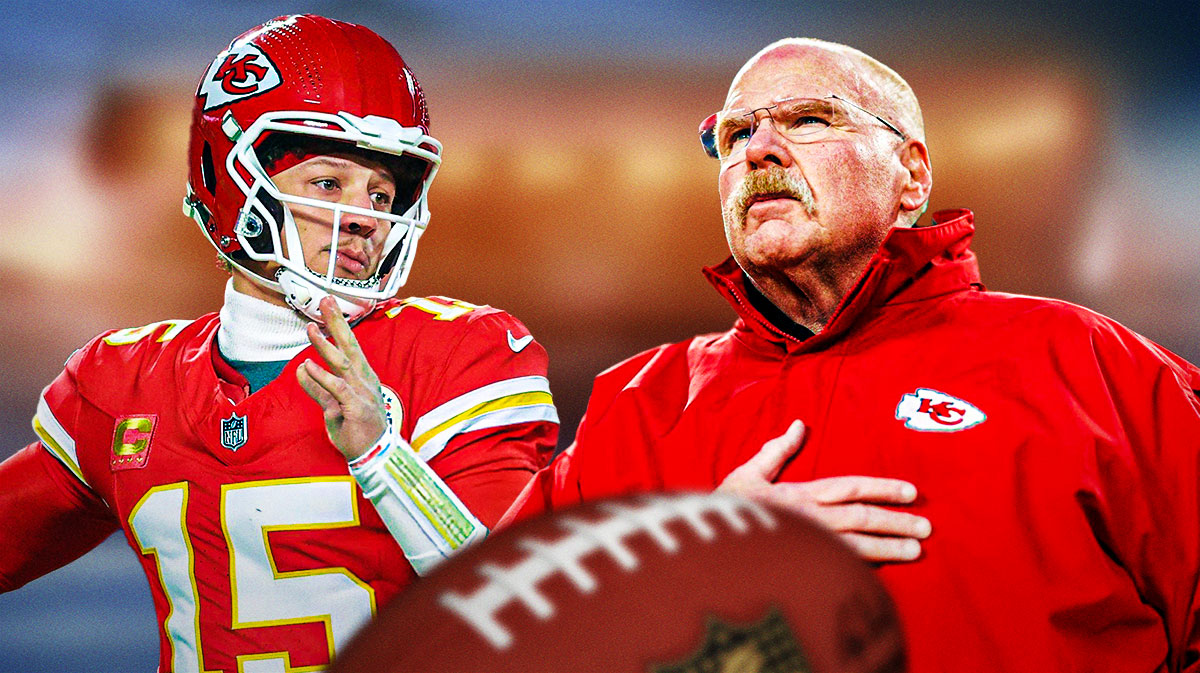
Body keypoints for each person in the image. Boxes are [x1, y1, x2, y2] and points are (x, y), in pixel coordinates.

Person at [515, 38, 1200, 671]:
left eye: (809, 119)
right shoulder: (633, 408)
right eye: (734, 134)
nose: (759, 151)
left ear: (912, 174)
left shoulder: (1095, 368)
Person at [0, 14, 558, 672]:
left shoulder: (458, 354)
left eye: (383, 190)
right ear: (233, 182)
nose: (366, 218)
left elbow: (532, 615)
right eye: (329, 183)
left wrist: (385, 460)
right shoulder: (125, 380)